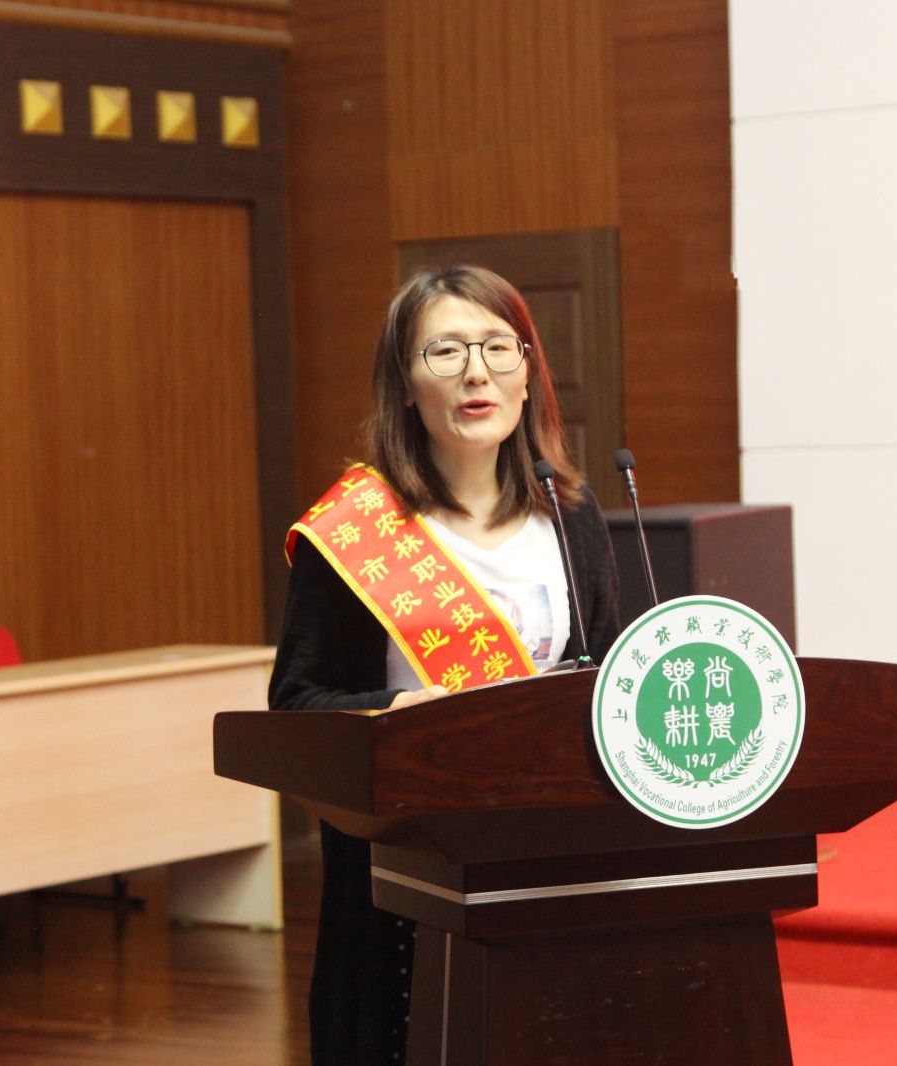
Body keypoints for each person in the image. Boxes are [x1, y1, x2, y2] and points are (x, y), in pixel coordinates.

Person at [267, 265, 621, 1065]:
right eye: (446, 351)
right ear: (403, 382)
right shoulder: (356, 531)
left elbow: (608, 680)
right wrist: (393, 716)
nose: (476, 373)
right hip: (404, 872)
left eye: (498, 348)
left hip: (544, 854)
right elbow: (295, 704)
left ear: (527, 375)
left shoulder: (569, 513)